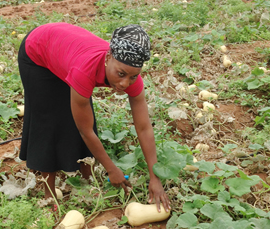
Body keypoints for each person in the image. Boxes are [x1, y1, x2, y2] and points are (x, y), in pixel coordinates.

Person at [18, 22, 170, 212]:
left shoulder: (130, 76)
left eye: (133, 76)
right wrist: (111, 169)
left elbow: (144, 127)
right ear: (108, 57)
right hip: (38, 50)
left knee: (81, 112)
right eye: (120, 74)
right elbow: (85, 131)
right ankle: (49, 196)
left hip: (67, 52)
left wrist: (154, 177)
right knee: (49, 120)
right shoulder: (84, 71)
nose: (124, 83)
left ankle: (88, 178)